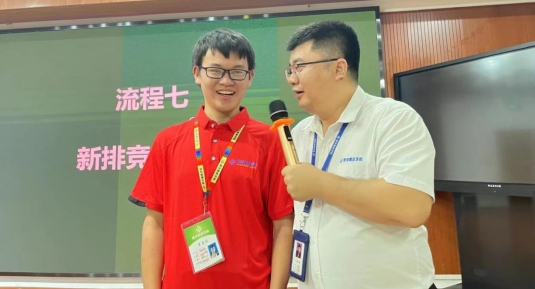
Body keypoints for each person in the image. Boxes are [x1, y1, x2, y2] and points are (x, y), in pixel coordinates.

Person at [129, 29, 294, 289]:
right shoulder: (167, 141)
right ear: (197, 74)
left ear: (250, 77)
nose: (226, 81)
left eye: (237, 72)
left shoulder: (270, 141)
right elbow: (154, 225)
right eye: (215, 71)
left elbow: (283, 225)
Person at [281, 20, 437, 289]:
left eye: (300, 67)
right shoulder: (300, 134)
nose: (292, 78)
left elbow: (413, 208)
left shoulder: (393, 119)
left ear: (339, 68)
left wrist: (320, 184)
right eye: (290, 69)